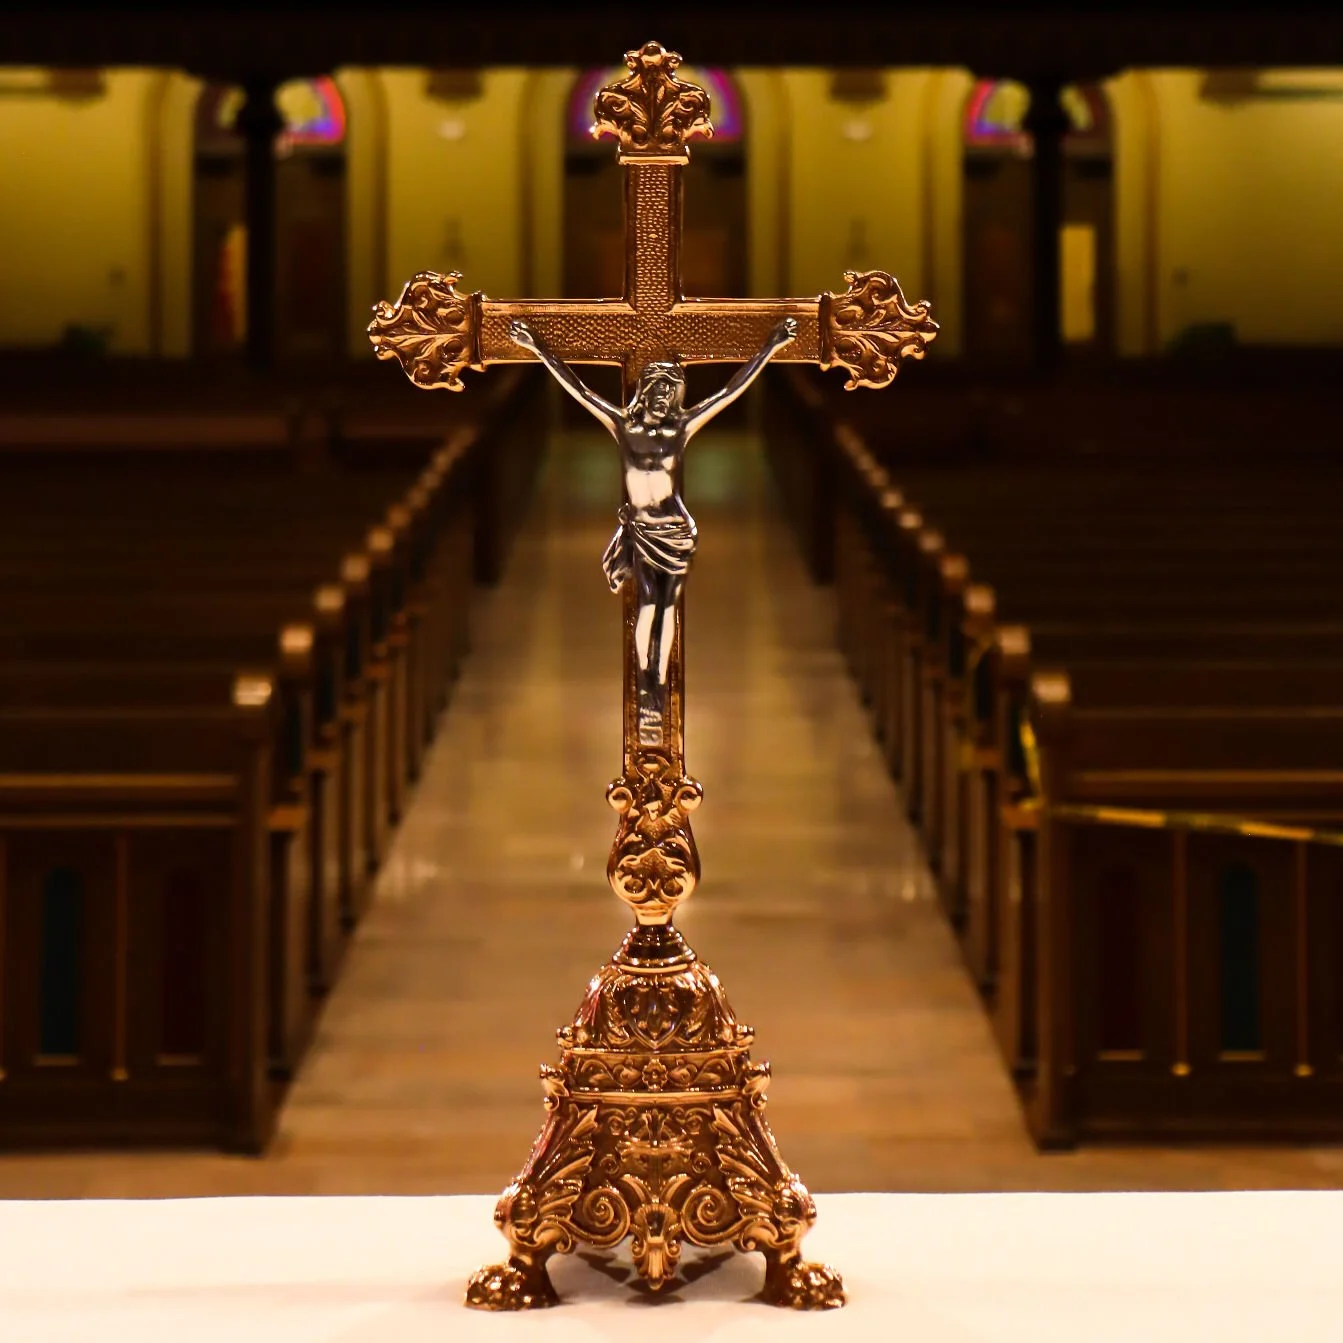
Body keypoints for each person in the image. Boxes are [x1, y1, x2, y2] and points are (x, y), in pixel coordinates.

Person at [509, 316, 798, 745]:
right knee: (648, 605)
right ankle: (648, 682)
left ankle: (655, 686)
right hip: (641, 531)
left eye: (671, 392)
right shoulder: (624, 427)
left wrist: (770, 348)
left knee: (667, 608)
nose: (664, 398)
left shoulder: (679, 429)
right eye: (657, 391)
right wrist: (537, 348)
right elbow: (581, 390)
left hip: (675, 531)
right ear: (644, 393)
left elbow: (729, 392)